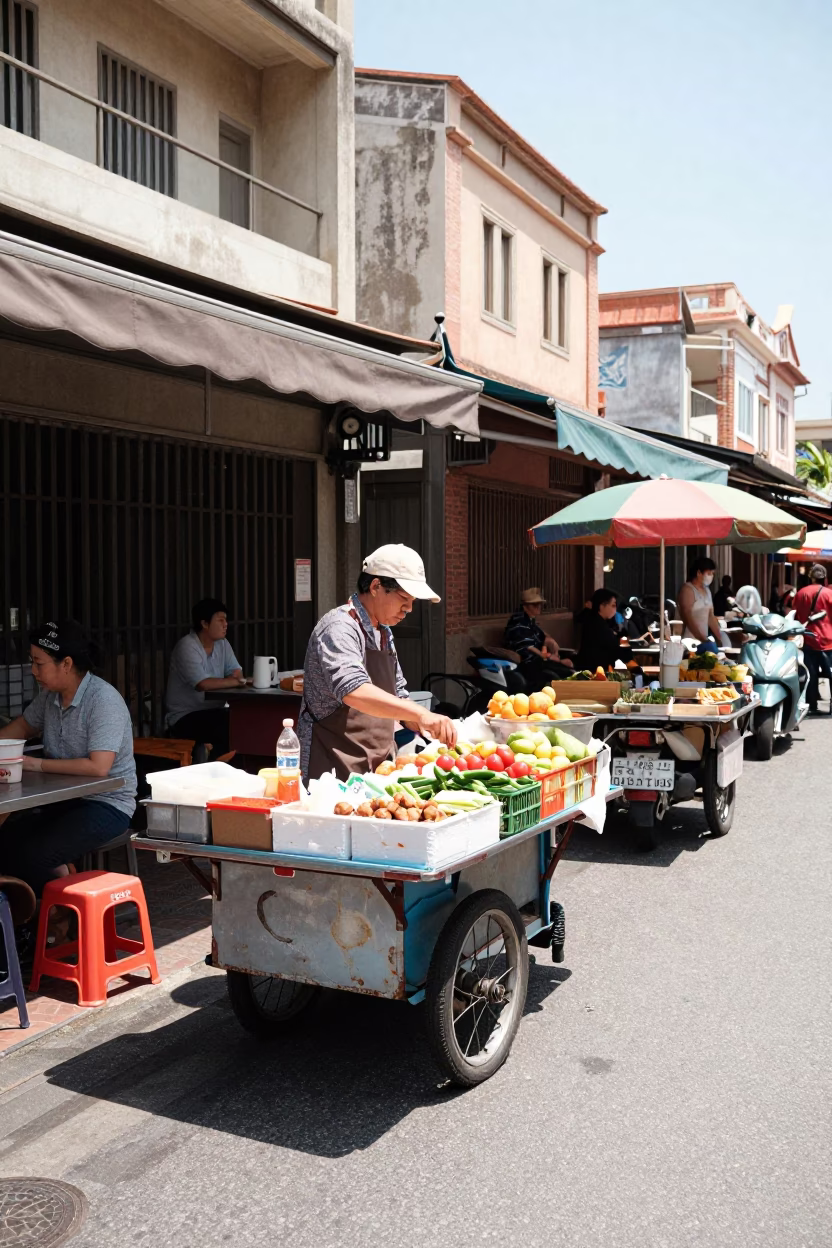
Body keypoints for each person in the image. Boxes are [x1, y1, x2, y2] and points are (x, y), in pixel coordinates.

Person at [0, 620, 137, 898]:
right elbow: (21, 728)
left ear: (66, 664)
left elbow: (99, 767)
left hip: (107, 805)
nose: (33, 671)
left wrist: (37, 764)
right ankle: (51, 899)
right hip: (64, 801)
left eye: (39, 663)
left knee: (34, 854)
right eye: (31, 662)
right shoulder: (49, 698)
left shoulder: (102, 700)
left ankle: (60, 918)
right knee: (4, 842)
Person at [299, 545, 457, 782]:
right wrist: (420, 712)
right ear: (375, 587)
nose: (409, 609)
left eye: (412, 601)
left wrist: (424, 723)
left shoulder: (383, 632)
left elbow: (399, 694)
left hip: (378, 769)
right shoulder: (339, 627)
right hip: (331, 770)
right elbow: (353, 690)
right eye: (404, 598)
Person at [165, 598, 245, 758]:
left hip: (215, 710)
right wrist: (237, 682)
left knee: (241, 719)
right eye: (220, 620)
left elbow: (237, 672)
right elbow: (202, 684)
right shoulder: (187, 646)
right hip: (185, 715)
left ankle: (225, 764)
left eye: (226, 620)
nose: (225, 624)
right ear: (205, 624)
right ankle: (218, 767)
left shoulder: (223, 644)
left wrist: (236, 679)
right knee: (226, 726)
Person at [505, 588, 573, 684]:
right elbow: (528, 647)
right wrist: (549, 658)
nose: (538, 607)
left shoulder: (530, 621)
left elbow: (542, 637)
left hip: (540, 660)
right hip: (527, 664)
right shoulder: (518, 622)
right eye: (534, 605)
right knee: (563, 672)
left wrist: (549, 641)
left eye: (539, 604)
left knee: (570, 665)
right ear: (525, 606)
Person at [794, 564, 832, 715]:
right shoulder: (829, 594)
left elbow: (795, 616)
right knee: (831, 674)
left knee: (811, 674)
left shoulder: (801, 593)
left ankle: (811, 706)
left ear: (811, 577)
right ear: (824, 578)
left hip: (808, 640)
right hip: (828, 641)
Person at [575, 588, 630, 672]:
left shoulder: (596, 621)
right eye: (613, 605)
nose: (615, 610)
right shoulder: (597, 625)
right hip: (593, 673)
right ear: (601, 606)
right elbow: (616, 650)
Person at [677, 557, 722, 644]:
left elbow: (710, 616)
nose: (711, 576)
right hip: (689, 641)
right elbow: (687, 617)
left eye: (712, 574)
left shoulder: (707, 591)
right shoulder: (687, 589)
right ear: (699, 573)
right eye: (709, 573)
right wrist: (701, 638)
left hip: (703, 640)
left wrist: (719, 637)